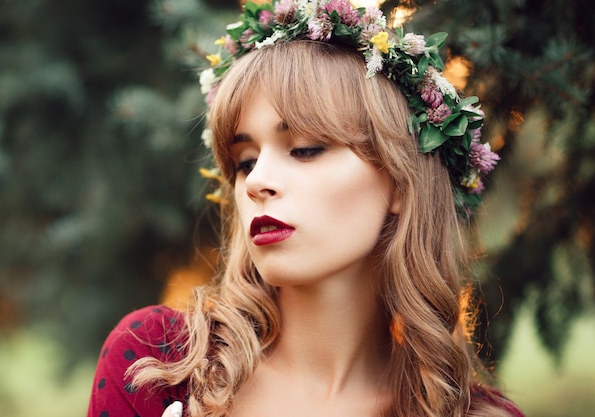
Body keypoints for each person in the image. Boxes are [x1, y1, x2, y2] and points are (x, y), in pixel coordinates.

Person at [87, 1, 523, 416]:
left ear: (401, 183)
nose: (256, 182)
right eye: (245, 162)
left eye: (306, 149)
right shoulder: (157, 366)